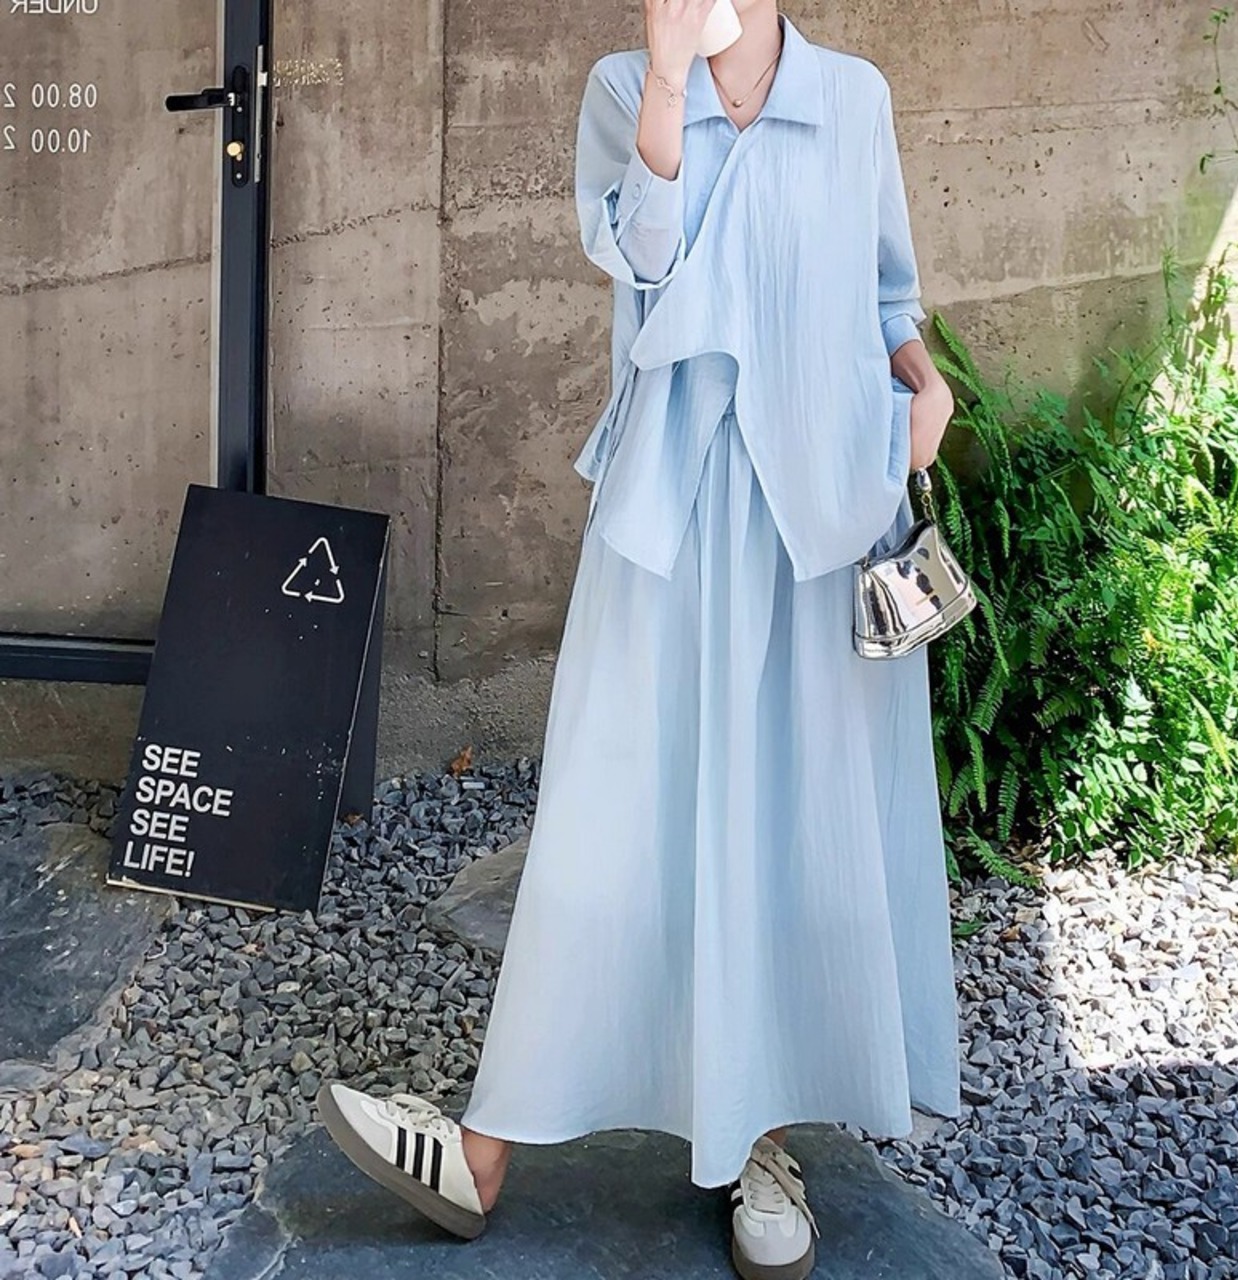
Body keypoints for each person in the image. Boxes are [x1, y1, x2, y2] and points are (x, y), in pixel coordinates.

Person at [317, 3, 961, 1277]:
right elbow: (641, 259)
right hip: (670, 504)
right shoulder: (624, 86)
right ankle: (486, 1144)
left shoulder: (850, 97)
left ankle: (758, 1140)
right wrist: (669, 78)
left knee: (786, 814)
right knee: (606, 809)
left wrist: (921, 377)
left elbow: (887, 291)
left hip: (820, 507)